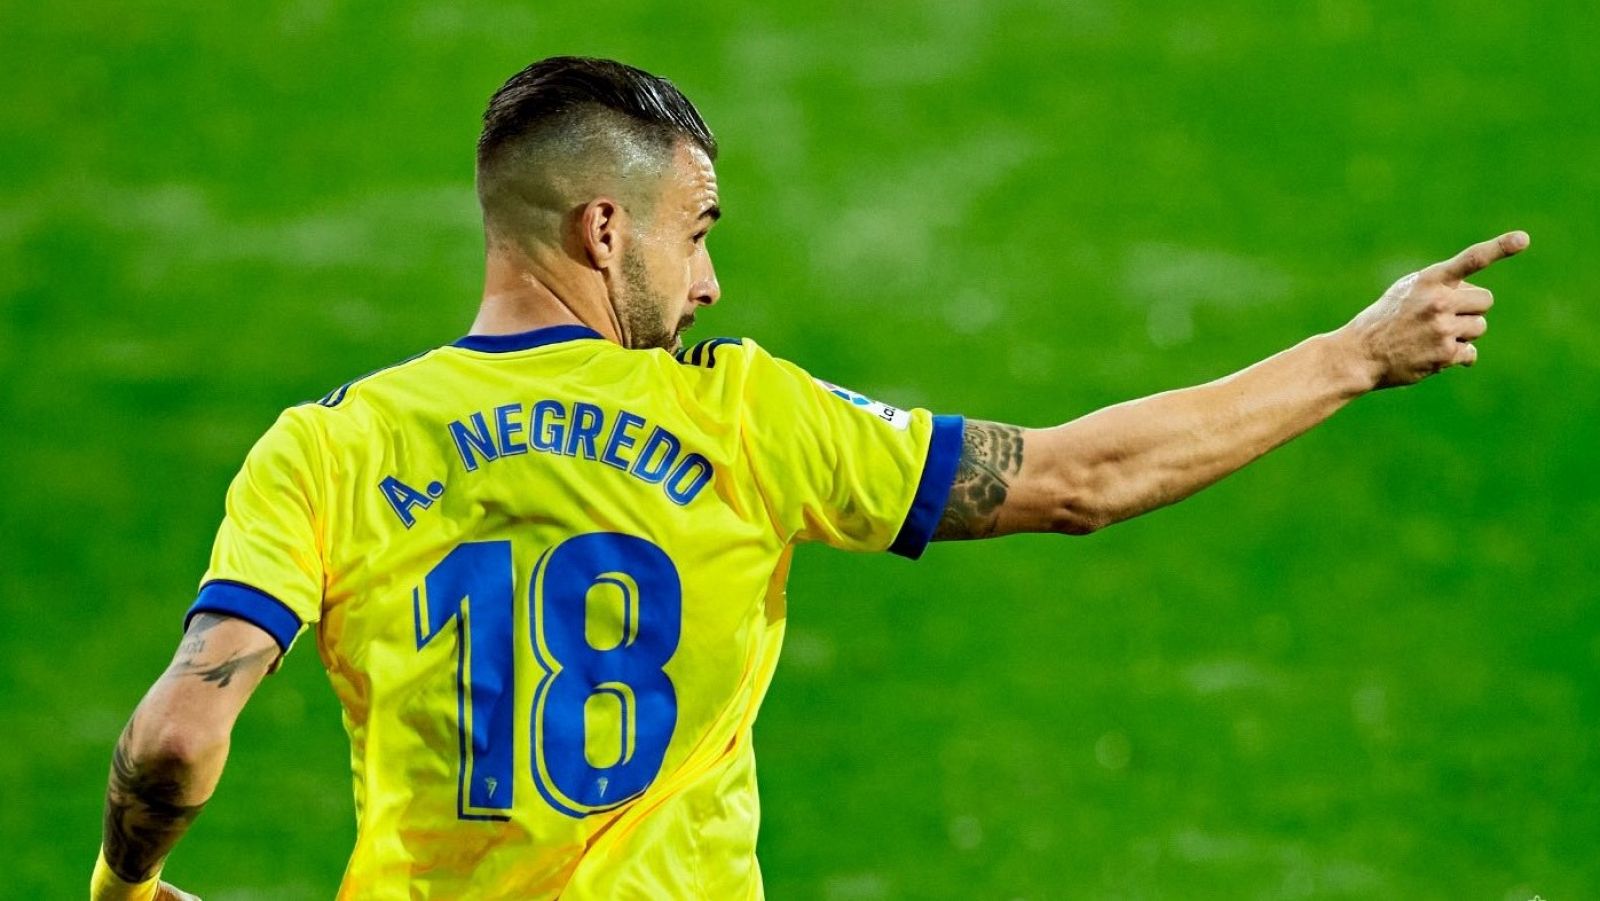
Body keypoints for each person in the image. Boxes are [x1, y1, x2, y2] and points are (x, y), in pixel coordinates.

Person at [90, 55, 1527, 901]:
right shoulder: (747, 420)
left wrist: (129, 882)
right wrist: (1354, 355)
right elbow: (1083, 476)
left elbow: (174, 740)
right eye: (696, 230)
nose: (710, 278)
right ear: (605, 229)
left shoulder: (327, 445)